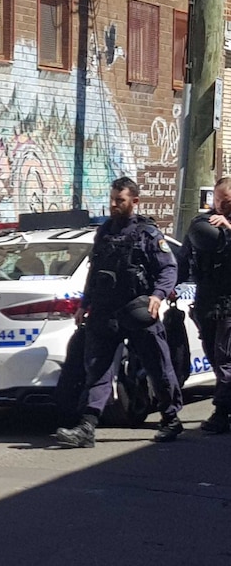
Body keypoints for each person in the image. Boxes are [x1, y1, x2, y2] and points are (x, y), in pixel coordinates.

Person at [55, 176, 183, 447]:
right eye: (112, 199)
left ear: (134, 201)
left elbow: (169, 268)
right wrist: (83, 305)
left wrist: (157, 296)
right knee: (97, 370)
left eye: (120, 200)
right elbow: (95, 272)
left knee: (157, 366)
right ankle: (86, 427)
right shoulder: (104, 233)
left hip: (138, 311)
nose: (114, 205)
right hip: (105, 312)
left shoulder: (147, 234)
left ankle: (171, 418)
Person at [176, 176, 231, 434]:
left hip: (229, 302)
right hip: (206, 301)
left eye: (227, 201)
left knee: (225, 357)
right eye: (218, 200)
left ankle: (221, 412)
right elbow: (185, 256)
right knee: (213, 353)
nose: (220, 205)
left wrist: (229, 228)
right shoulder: (202, 225)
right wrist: (173, 287)